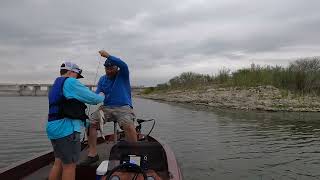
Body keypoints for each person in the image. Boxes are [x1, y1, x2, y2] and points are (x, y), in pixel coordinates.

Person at [47, 62, 104, 180]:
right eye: (77, 75)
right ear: (71, 71)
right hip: (66, 131)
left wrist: (87, 123)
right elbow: (94, 99)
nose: (77, 79)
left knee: (58, 162)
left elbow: (66, 110)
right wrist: (102, 94)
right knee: (69, 166)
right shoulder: (70, 82)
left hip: (54, 128)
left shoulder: (56, 85)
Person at [80, 50, 137, 165]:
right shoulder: (102, 79)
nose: (109, 70)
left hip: (123, 107)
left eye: (112, 68)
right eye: (107, 68)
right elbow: (98, 94)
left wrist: (108, 56)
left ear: (117, 68)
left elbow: (123, 64)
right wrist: (87, 97)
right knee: (90, 123)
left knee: (128, 125)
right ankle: (93, 154)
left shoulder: (123, 74)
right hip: (106, 108)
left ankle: (134, 156)